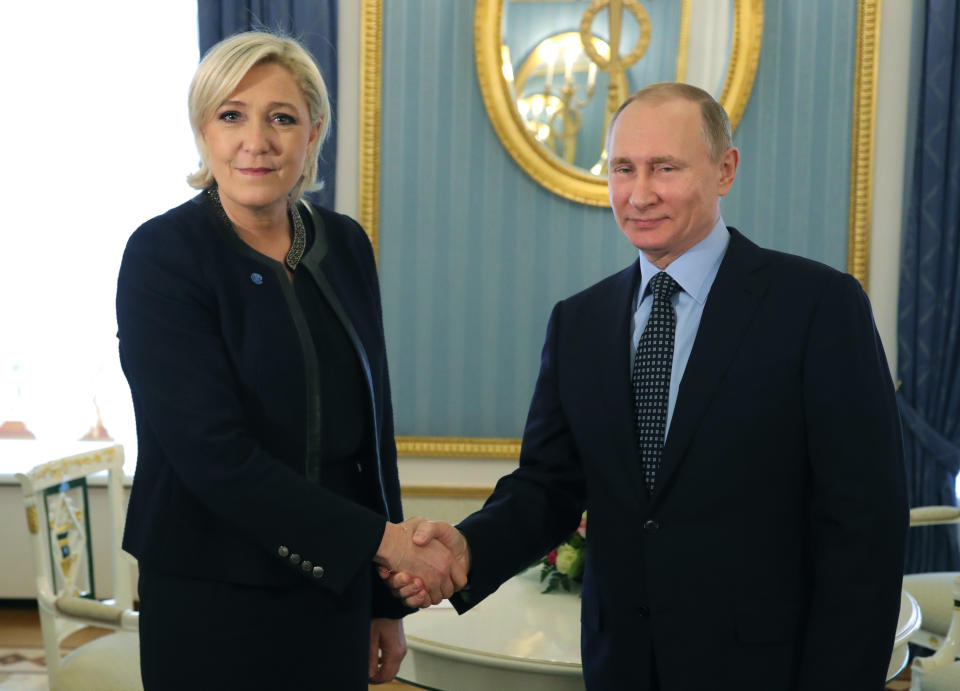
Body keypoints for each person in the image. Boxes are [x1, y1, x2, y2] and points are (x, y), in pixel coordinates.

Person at [384, 82, 908, 690]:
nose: (639, 194)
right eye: (623, 169)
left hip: (770, 671)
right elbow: (549, 486)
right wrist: (466, 550)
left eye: (665, 168)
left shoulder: (817, 306)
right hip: (622, 667)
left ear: (725, 170)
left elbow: (866, 525)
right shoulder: (579, 321)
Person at [116, 31, 464, 690]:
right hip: (209, 593)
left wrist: (383, 600)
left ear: (314, 132)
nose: (257, 140)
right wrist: (378, 541)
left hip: (331, 590)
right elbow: (212, 455)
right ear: (202, 131)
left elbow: (374, 427)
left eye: (282, 117)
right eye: (231, 115)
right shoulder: (162, 256)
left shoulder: (345, 244)